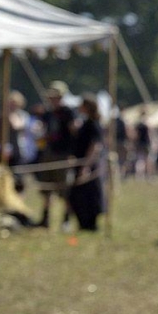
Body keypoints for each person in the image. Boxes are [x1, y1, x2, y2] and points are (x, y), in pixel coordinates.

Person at [35, 81, 75, 229]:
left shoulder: (68, 113)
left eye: (55, 97)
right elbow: (44, 131)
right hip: (49, 153)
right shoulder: (48, 113)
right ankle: (44, 219)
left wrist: (72, 154)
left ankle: (66, 220)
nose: (52, 99)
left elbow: (73, 133)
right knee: (46, 188)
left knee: (64, 190)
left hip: (62, 155)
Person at [67, 94, 105, 231]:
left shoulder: (93, 124)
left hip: (88, 165)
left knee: (88, 195)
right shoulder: (85, 123)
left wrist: (86, 166)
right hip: (81, 164)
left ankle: (90, 224)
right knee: (77, 196)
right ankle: (83, 224)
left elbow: (95, 146)